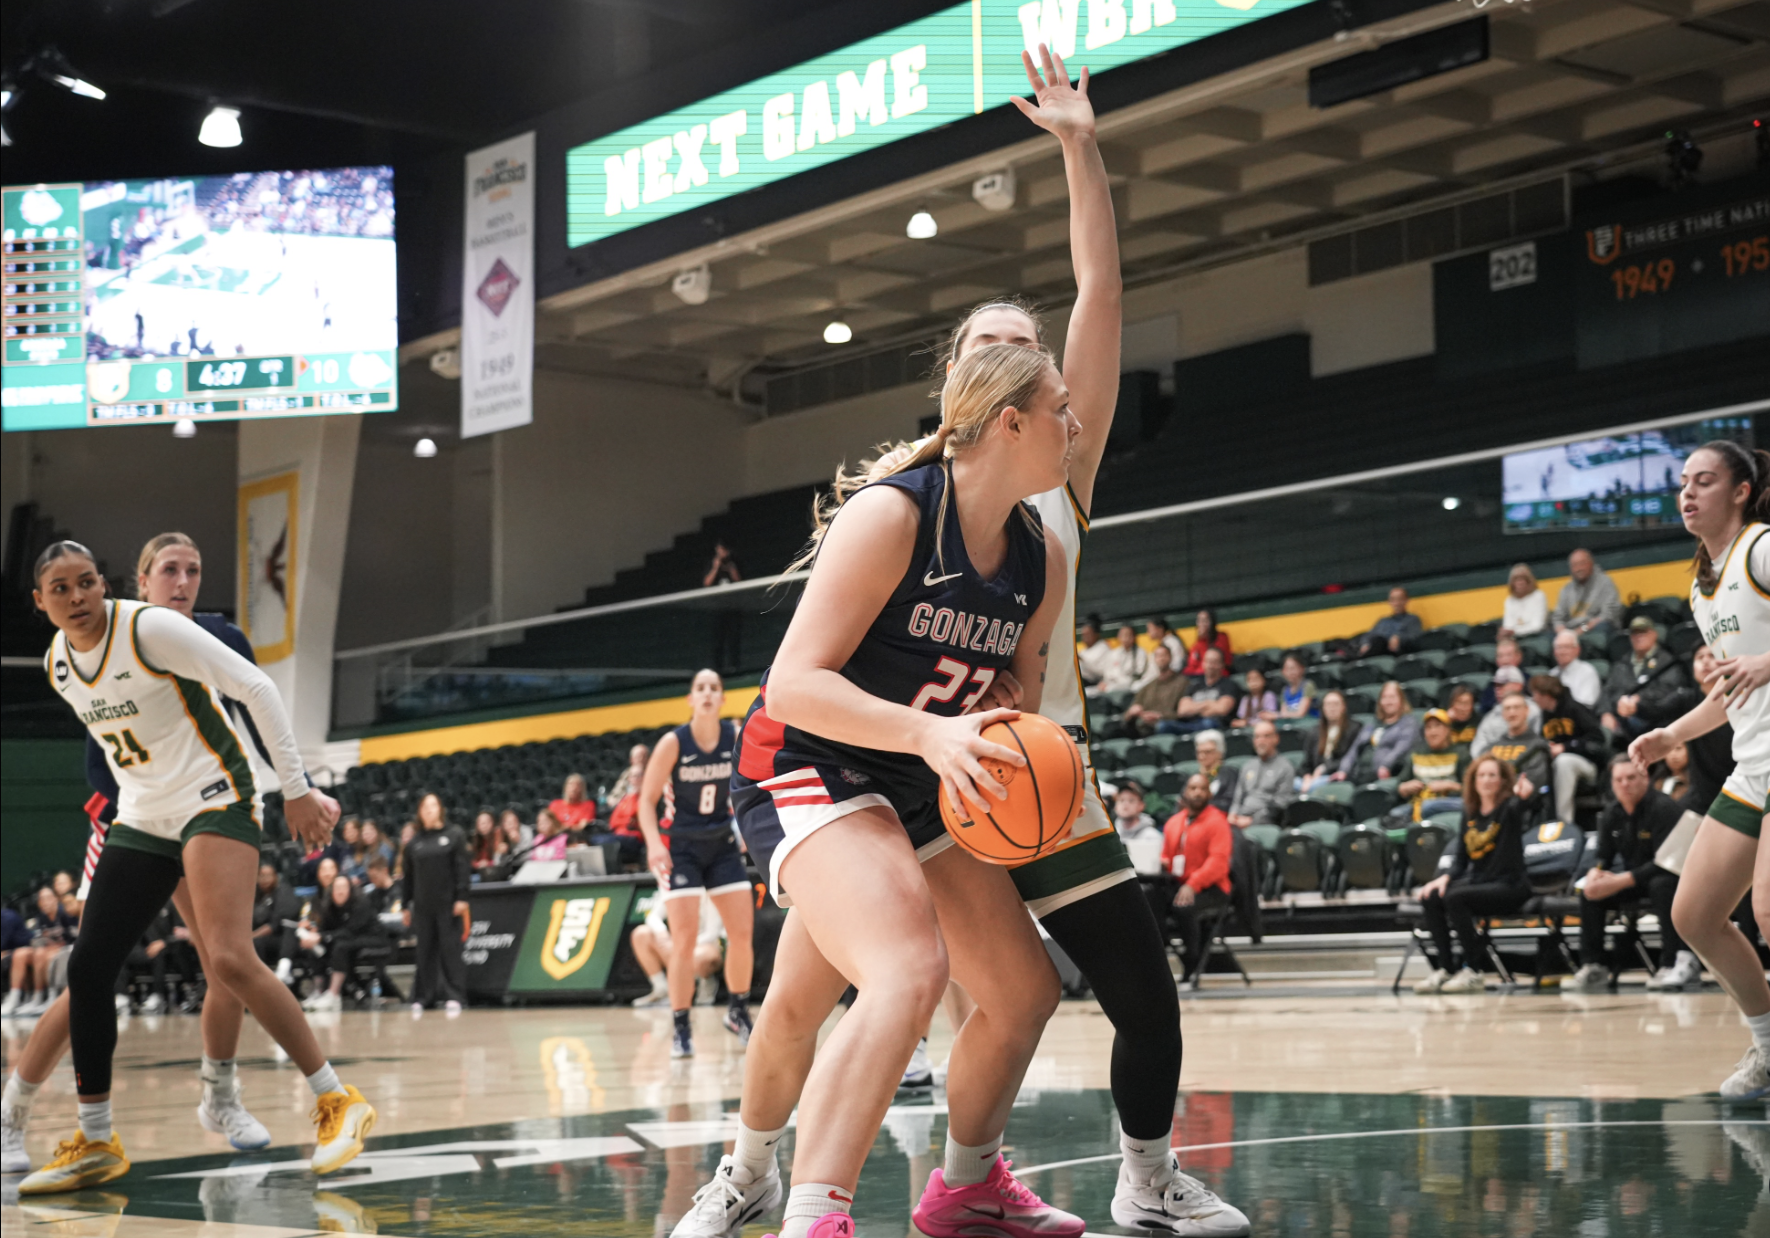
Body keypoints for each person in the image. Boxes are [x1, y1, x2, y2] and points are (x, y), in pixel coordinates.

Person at [674, 47, 1243, 1238]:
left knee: (1018, 987)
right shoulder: (903, 509)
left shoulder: (1047, 526)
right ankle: (767, 1182)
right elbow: (796, 678)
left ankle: (967, 1182)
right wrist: (943, 734)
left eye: (1029, 344)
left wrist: (1083, 148)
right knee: (825, 992)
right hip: (834, 756)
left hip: (971, 768)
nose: (1066, 400)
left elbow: (1101, 299)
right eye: (1002, 351)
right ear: (988, 403)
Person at [16, 541, 371, 1193]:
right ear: (40, 603)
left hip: (217, 796)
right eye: (60, 589)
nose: (77, 597)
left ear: (106, 584)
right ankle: (95, 1139)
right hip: (144, 813)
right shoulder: (58, 665)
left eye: (87, 582)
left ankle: (337, 1100)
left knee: (229, 961)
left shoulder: (148, 627)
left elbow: (256, 686)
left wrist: (295, 788)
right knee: (89, 966)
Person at [1628, 439, 1770, 1102]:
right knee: (1694, 913)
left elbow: (1756, 668)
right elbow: (1728, 690)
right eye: (1683, 483)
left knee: (1768, 908)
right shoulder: (1701, 587)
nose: (1688, 493)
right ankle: (1769, 1047)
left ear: (1740, 491)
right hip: (1755, 766)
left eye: (1705, 481)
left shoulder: (1762, 548)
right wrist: (1671, 734)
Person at [636, 668, 756, 1056]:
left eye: (714, 688)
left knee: (741, 934)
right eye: (700, 688)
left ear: (722, 699)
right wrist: (655, 844)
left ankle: (737, 1010)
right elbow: (646, 800)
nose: (707, 694)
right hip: (682, 846)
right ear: (690, 699)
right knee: (683, 941)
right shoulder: (674, 743)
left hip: (721, 843)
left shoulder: (734, 736)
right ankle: (681, 1025)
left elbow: (751, 787)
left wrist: (748, 830)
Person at [1562, 757, 1695, 991]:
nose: (1624, 784)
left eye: (1631, 778)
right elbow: (1603, 858)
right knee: (1590, 892)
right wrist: (1595, 874)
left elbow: (1667, 862)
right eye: (1619, 779)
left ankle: (1673, 962)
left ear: (1645, 778)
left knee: (1661, 885)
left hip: (1673, 876)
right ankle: (1594, 965)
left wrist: (1621, 880)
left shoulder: (1664, 808)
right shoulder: (1611, 813)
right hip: (1633, 878)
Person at [1412, 755, 1532, 994]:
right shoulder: (1470, 813)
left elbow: (1523, 809)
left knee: (1456, 898)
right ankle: (1445, 968)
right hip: (1480, 883)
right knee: (1431, 896)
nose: (1486, 780)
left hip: (1510, 886)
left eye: (1492, 775)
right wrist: (1443, 878)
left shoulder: (1509, 808)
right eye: (1481, 775)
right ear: (1473, 781)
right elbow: (1460, 861)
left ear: (1502, 781)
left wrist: (1524, 796)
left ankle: (1474, 970)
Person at [1158, 774, 1234, 982]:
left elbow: (1218, 863)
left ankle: (1192, 962)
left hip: (1213, 888)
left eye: (1202, 788)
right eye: (1193, 788)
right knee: (1150, 903)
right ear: (1185, 793)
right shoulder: (1174, 823)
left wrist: (1193, 884)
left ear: (1209, 793)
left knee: (1184, 907)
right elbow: (1166, 856)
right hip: (1179, 883)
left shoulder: (1217, 822)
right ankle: (1157, 961)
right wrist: (1163, 862)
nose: (1197, 792)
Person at [401, 793, 469, 1015]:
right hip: (422, 906)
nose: (429, 810)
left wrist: (462, 898)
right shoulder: (414, 843)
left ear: (440, 809)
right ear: (420, 812)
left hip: (448, 904)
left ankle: (454, 996)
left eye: (433, 805)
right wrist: (405, 905)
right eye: (425, 807)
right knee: (425, 952)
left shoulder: (454, 835)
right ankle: (424, 997)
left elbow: (462, 869)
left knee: (450, 950)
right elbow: (408, 877)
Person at [1529, 675, 1608, 825]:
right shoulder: (1544, 716)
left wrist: (1566, 747)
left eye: (1536, 694)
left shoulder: (1575, 709)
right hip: (1558, 765)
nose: (1534, 699)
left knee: (1563, 761)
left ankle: (1563, 823)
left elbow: (1598, 739)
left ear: (1546, 695)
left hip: (1588, 764)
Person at [630, 893, 727, 1010]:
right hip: (677, 946)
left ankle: (705, 983)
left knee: (700, 956)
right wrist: (662, 932)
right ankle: (662, 989)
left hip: (706, 945)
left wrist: (684, 945)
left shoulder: (709, 890)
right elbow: (653, 917)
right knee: (641, 934)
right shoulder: (674, 888)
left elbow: (712, 933)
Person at [300, 876, 381, 1012]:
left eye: (344, 888)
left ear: (350, 889)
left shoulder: (361, 903)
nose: (340, 892)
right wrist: (312, 935)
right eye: (337, 888)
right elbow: (325, 929)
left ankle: (333, 993)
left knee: (340, 946)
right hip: (347, 939)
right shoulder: (329, 905)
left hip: (371, 938)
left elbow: (350, 931)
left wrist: (321, 936)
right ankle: (319, 991)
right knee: (314, 947)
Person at [1602, 618, 1691, 739]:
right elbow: (1607, 691)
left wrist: (1639, 700)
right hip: (1621, 722)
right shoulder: (1621, 664)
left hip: (1654, 721)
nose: (1639, 637)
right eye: (1635, 633)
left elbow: (1670, 690)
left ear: (1654, 634)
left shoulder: (1667, 661)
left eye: (1643, 632)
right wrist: (1606, 713)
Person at [1482, 694, 1552, 818]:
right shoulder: (1490, 748)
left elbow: (1533, 783)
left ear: (1526, 711)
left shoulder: (1538, 746)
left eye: (1516, 707)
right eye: (1507, 709)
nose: (1512, 713)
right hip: (1486, 805)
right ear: (1503, 714)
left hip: (1519, 808)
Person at [1335, 682, 1419, 783]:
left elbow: (1401, 749)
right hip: (1359, 772)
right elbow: (1354, 750)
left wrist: (1386, 765)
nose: (1388, 701)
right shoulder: (1371, 724)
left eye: (1392, 697)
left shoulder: (1408, 723)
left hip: (1387, 773)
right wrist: (1343, 770)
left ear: (1401, 700)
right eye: (1384, 697)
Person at [1393, 710, 1468, 823]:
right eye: (1428, 728)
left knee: (1429, 806)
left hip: (1448, 803)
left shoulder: (1461, 753)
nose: (1433, 732)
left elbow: (1471, 789)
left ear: (1447, 730)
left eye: (1437, 726)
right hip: (1418, 803)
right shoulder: (1416, 754)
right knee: (1395, 815)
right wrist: (1405, 787)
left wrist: (1449, 785)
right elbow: (1400, 786)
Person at [1226, 721, 1294, 828]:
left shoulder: (1285, 768)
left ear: (1276, 738)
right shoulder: (1248, 766)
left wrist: (1252, 821)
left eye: (1266, 736)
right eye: (1257, 737)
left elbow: (1280, 804)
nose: (1261, 741)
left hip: (1266, 821)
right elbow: (1238, 798)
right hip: (1241, 817)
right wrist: (1232, 815)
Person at [1163, 647, 1240, 734]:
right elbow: (1182, 710)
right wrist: (1207, 704)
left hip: (1214, 725)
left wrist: (1194, 707)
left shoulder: (1229, 685)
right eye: (1207, 661)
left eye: (1214, 662)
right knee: (1164, 726)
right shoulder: (1194, 686)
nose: (1210, 665)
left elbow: (1222, 709)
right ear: (1203, 663)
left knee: (1208, 723)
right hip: (1190, 724)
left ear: (1222, 665)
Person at [1551, 548, 1623, 636]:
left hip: (1594, 628)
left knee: (1603, 628)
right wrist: (1563, 634)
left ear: (1591, 564)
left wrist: (1581, 630)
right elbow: (1558, 618)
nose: (1578, 569)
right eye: (1574, 565)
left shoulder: (1605, 583)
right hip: (1571, 630)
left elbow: (1608, 615)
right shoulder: (1566, 590)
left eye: (1582, 564)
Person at [1118, 643, 1185, 736]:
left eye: (1164, 655)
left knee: (1162, 726)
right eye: (1157, 655)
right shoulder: (1148, 686)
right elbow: (1130, 711)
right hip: (1144, 727)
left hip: (1168, 726)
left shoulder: (1182, 682)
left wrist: (1159, 716)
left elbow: (1182, 713)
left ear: (1170, 657)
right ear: (1154, 659)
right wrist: (1131, 712)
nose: (1161, 659)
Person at [1472, 668, 1541, 757]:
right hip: (1496, 764)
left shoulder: (1533, 709)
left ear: (1518, 685)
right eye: (1495, 685)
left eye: (1502, 685)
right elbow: (1478, 746)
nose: (1497, 689)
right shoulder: (1491, 716)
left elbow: (1536, 740)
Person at [252, 862, 300, 982]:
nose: (265, 879)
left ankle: (282, 971)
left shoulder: (283, 892)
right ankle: (257, 978)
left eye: (269, 875)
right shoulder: (256, 895)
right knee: (256, 942)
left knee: (255, 941)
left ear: (276, 877)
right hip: (266, 939)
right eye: (261, 876)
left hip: (285, 939)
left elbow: (274, 925)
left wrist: (250, 936)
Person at [1302, 690, 1356, 793]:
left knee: (1314, 786)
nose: (1332, 708)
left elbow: (1350, 758)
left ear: (1343, 707)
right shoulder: (1314, 731)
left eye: (1336, 704)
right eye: (1328, 704)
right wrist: (1307, 776)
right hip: (1313, 779)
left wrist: (1324, 768)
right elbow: (1306, 764)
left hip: (1337, 776)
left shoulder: (1353, 729)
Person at [1355, 587, 1422, 658]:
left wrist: (1399, 638)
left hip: (1394, 653)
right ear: (1389, 602)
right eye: (1393, 600)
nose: (1396, 603)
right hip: (1377, 649)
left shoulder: (1412, 619)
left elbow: (1415, 637)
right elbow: (1369, 635)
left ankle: (1358, 660)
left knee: (1379, 641)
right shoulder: (1383, 620)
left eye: (1400, 599)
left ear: (1406, 600)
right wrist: (1365, 643)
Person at [1551, 629, 1602, 708]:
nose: (1562, 651)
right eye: (1558, 647)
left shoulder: (1587, 672)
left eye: (1567, 647)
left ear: (1577, 650)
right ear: (1554, 652)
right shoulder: (1552, 674)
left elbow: (1585, 705)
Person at [1098, 622, 1150, 695]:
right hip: (1113, 684)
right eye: (1122, 635)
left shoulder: (1140, 653)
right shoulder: (1113, 654)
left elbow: (1138, 672)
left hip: (1132, 684)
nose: (1125, 638)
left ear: (1133, 637)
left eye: (1128, 635)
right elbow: (1108, 673)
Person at [1193, 730, 1237, 815]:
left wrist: (1200, 805)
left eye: (1207, 752)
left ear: (1220, 753)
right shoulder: (1195, 777)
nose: (1202, 756)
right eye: (1199, 752)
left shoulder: (1229, 774)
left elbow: (1229, 803)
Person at [1477, 638, 1525, 714]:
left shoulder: (1529, 681)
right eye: (1500, 656)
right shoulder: (1490, 686)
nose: (1505, 661)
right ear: (1496, 660)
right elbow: (1483, 710)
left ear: (1519, 656)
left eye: (1509, 655)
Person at [1499, 563, 1547, 638]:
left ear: (1529, 582)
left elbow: (1537, 627)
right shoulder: (1509, 601)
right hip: (1515, 639)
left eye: (1522, 579)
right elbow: (1508, 626)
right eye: (1516, 580)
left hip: (1536, 637)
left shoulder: (1538, 596)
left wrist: (1515, 631)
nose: (1520, 583)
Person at [1180, 607, 1232, 676]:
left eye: (1205, 621)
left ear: (1212, 622)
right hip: (1199, 676)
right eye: (1199, 621)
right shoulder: (1197, 644)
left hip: (1218, 674)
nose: (1201, 624)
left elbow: (1221, 661)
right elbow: (1192, 665)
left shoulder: (1221, 638)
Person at [1112, 782, 1160, 848]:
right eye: (1121, 800)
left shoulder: (1151, 836)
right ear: (1115, 807)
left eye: (1131, 800)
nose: (1125, 804)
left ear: (1141, 805)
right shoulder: (1111, 836)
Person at [1076, 614, 1113, 693]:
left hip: (1094, 683)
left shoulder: (1103, 648)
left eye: (1087, 635)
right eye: (1083, 635)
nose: (1084, 638)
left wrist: (1082, 660)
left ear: (1096, 634)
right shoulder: (1084, 651)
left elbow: (1100, 673)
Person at [1276, 652, 1317, 719]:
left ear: (1301, 668)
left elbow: (1301, 713)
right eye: (1287, 669)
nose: (1290, 672)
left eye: (1293, 668)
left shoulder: (1308, 685)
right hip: (1292, 723)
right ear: (1283, 672)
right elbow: (1283, 713)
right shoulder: (1285, 690)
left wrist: (1276, 715)